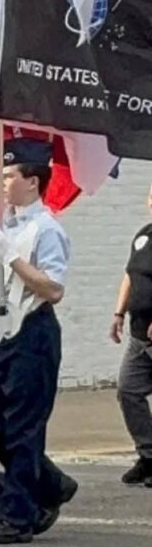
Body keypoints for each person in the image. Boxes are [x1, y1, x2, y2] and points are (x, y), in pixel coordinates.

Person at [0, 139, 78, 545]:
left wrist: (11, 256)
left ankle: (17, 517)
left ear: (33, 181)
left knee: (22, 429)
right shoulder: (8, 228)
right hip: (1, 331)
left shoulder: (46, 229)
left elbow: (52, 289)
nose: (2, 181)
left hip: (32, 331)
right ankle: (50, 484)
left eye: (11, 175)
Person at [110, 183, 152, 486]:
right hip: (140, 335)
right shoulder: (143, 235)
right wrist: (118, 313)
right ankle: (149, 455)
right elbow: (130, 275)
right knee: (128, 390)